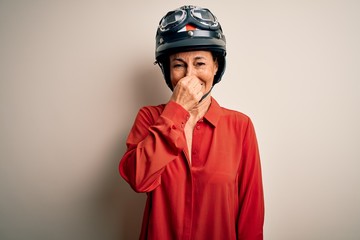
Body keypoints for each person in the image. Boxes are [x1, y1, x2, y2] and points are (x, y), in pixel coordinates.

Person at [119, 5, 264, 240]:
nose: (189, 75)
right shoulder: (148, 118)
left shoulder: (241, 126)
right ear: (167, 71)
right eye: (178, 65)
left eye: (200, 63)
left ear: (216, 67)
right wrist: (176, 111)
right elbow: (139, 179)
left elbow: (251, 215)